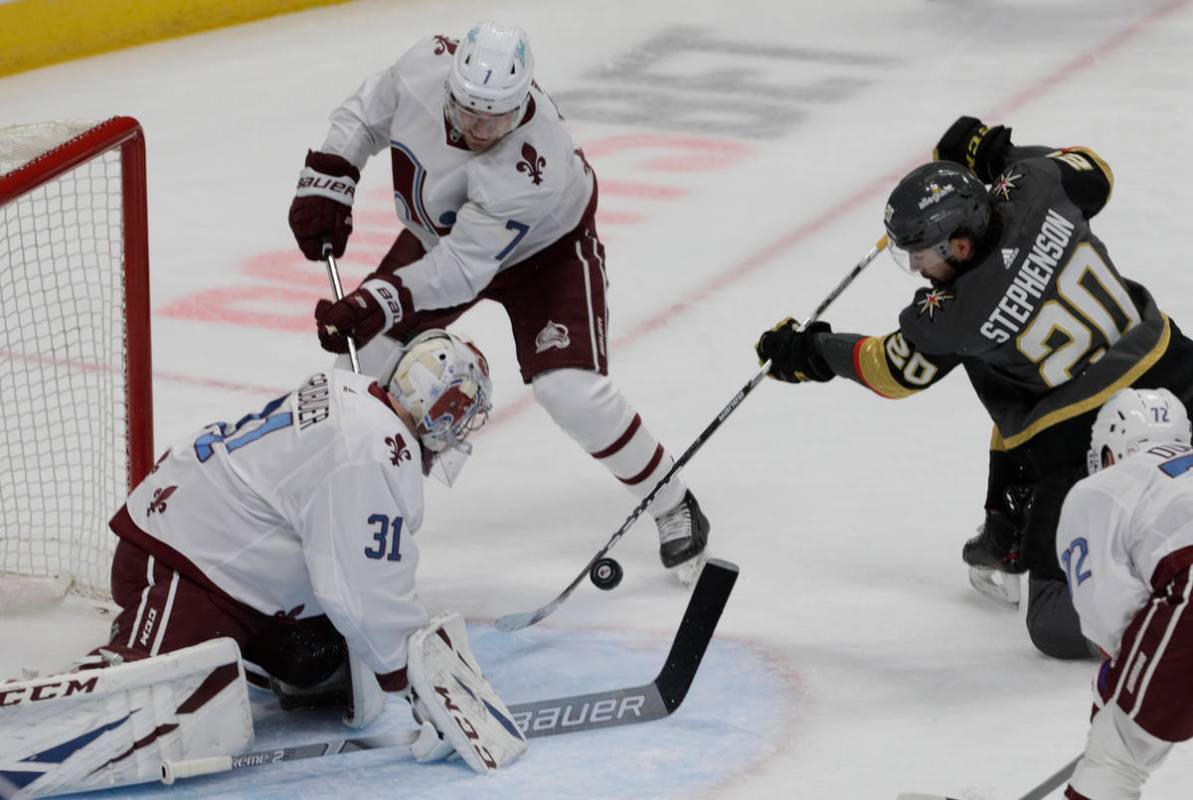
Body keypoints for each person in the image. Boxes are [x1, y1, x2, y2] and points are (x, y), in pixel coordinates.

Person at [0, 331, 527, 796]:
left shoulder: (355, 397)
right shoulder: (373, 446)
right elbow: (363, 588)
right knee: (159, 710)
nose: (459, 428)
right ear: (443, 410)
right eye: (459, 412)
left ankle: (246, 650)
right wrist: (414, 681)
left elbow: (348, 566)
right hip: (188, 557)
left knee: (328, 665)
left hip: (235, 567)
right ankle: (30, 727)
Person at [754, 116, 1193, 659]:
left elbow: (894, 371)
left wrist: (810, 353)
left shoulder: (956, 315)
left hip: (1084, 448)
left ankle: (1039, 529)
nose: (914, 266)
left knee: (1051, 621)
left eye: (920, 251)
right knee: (998, 368)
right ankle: (1008, 518)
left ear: (960, 244)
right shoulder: (1034, 185)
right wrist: (997, 153)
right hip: (1177, 372)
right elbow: (1094, 173)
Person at [286, 20, 709, 582]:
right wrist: (330, 176)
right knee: (359, 365)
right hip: (445, 234)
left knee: (570, 391)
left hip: (546, 253)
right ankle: (323, 508)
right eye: (468, 111)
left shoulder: (535, 159)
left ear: (523, 103)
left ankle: (672, 500)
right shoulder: (424, 66)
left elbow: (463, 269)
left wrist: (378, 299)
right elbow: (366, 112)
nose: (479, 128)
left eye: (497, 118)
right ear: (451, 86)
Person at [1057, 388, 1193, 800]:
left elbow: (1112, 612)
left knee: (1116, 756)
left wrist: (1116, 701)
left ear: (1111, 453)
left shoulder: (1099, 489)